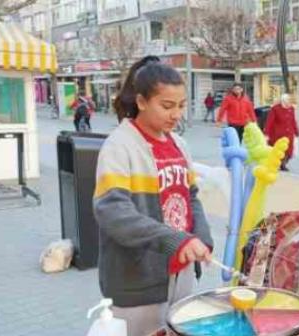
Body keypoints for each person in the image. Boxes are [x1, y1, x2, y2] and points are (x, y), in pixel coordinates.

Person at [94, 56, 214, 336]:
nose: (176, 115)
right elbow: (113, 213)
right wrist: (175, 239)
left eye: (181, 106)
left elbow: (191, 197)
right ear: (141, 102)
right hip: (138, 280)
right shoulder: (119, 146)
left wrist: (202, 238)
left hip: (180, 272)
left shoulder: (180, 144)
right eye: (167, 106)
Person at [264, 94, 299, 171]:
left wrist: (296, 131)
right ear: (283, 101)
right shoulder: (275, 109)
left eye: (290, 101)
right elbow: (269, 122)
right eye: (287, 101)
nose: (289, 103)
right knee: (278, 150)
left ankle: (283, 163)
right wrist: (266, 132)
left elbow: (293, 121)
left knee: (289, 150)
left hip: (289, 133)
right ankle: (280, 164)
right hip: (277, 134)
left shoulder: (291, 109)